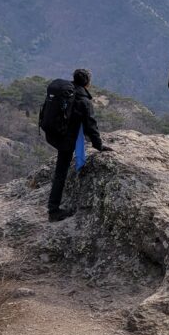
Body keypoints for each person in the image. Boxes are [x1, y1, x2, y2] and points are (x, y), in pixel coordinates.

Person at [47, 68, 113, 222]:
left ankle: (53, 206)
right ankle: (53, 210)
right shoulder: (84, 101)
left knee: (60, 171)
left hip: (56, 134)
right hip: (66, 139)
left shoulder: (67, 93)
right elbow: (91, 126)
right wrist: (99, 146)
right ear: (87, 83)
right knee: (60, 174)